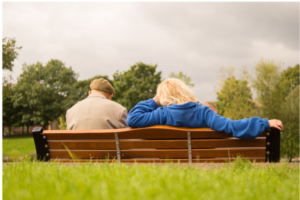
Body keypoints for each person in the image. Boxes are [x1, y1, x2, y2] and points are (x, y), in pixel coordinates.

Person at [126, 78, 283, 139]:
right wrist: (264, 123)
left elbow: (132, 119)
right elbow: (231, 126)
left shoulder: (161, 114)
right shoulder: (203, 112)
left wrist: (154, 101)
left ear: (164, 98)